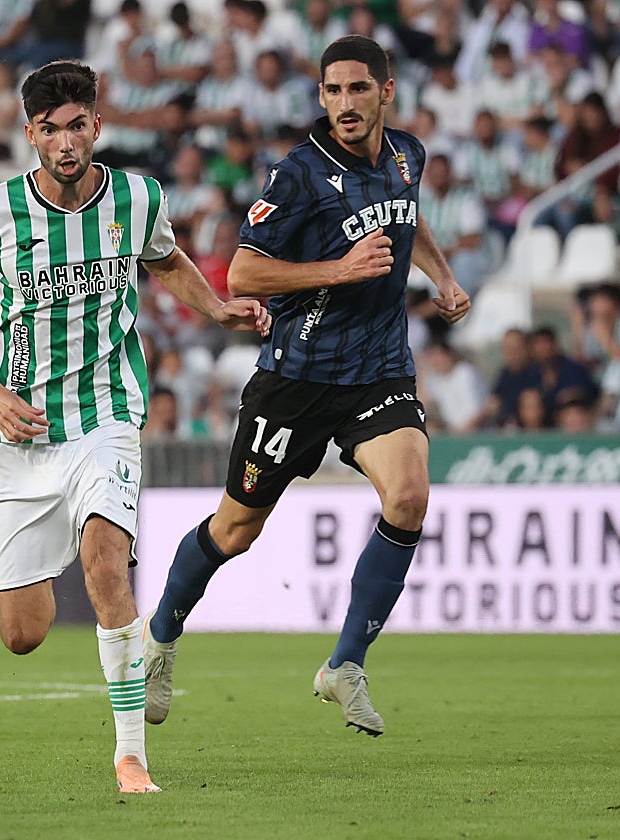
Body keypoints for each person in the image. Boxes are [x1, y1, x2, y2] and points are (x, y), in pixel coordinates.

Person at [0, 60, 268, 794]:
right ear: (30, 135)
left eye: (76, 126)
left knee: (105, 566)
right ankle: (108, 621)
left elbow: (167, 259)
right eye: (49, 130)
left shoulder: (138, 196)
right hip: (21, 431)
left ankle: (130, 759)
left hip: (105, 414)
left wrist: (215, 309)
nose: (64, 142)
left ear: (96, 126)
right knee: (23, 634)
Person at [143, 36, 471, 739]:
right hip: (294, 380)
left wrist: (439, 275)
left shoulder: (408, 154)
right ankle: (161, 635)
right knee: (236, 529)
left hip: (377, 372)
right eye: (332, 91)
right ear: (321, 98)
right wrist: (340, 270)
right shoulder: (297, 175)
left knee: (409, 497)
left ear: (386, 92)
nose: (345, 104)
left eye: (358, 89)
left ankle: (344, 665)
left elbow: (410, 218)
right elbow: (243, 275)